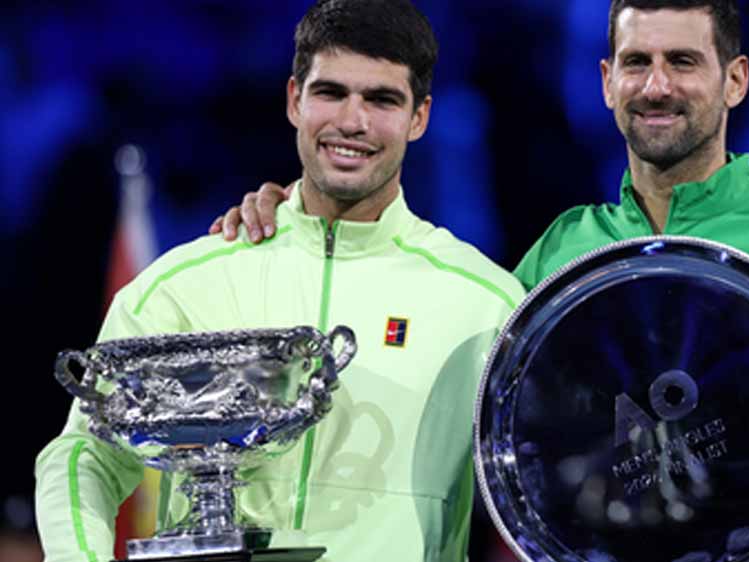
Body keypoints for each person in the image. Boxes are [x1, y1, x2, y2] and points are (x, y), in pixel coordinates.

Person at [215, 1, 749, 561]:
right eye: (635, 62)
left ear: (735, 80)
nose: (656, 85)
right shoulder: (563, 252)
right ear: (606, 82)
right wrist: (302, 220)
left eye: (683, 62)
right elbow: (483, 410)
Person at [34, 1, 524, 562]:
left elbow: (537, 487)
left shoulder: (484, 303)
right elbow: (85, 455)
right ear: (295, 99)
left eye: (381, 99)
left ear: (419, 117)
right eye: (331, 93)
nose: (352, 121)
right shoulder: (183, 283)